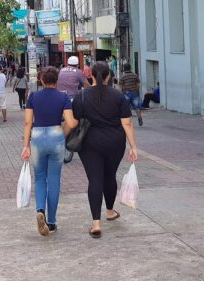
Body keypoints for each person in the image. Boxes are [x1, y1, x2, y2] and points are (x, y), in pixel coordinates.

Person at [72, 62, 139, 239]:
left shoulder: (82, 96)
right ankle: (109, 211)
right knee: (110, 176)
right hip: (115, 142)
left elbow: (75, 120)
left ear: (91, 76)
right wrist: (133, 147)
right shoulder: (118, 96)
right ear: (109, 76)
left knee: (95, 179)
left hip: (89, 143)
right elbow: (127, 123)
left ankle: (95, 224)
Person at [21, 67, 78, 236]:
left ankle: (40, 210)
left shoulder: (33, 97)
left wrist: (26, 145)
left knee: (39, 178)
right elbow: (71, 123)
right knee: (54, 179)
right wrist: (65, 129)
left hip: (37, 137)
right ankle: (51, 222)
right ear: (57, 81)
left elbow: (27, 123)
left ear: (42, 80)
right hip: (56, 136)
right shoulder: (63, 97)